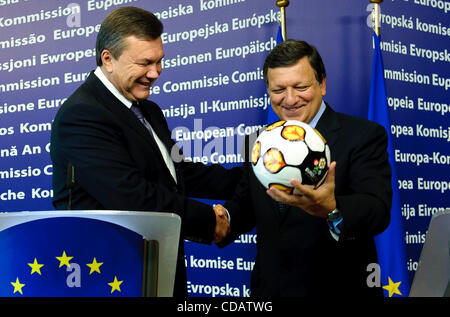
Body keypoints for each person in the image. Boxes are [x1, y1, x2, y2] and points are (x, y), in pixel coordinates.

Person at [50, 7, 239, 297]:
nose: (155, 73)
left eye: (160, 61)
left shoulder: (148, 109)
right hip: (109, 277)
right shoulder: (82, 114)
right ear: (108, 59)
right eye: (145, 63)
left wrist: (250, 178)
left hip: (157, 267)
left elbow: (176, 171)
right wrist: (209, 220)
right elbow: (131, 195)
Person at [216, 39, 392, 296]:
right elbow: (246, 204)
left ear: (322, 84)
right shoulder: (258, 142)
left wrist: (332, 208)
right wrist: (222, 219)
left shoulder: (363, 135)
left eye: (300, 87)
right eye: (278, 89)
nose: (290, 99)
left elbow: (378, 211)